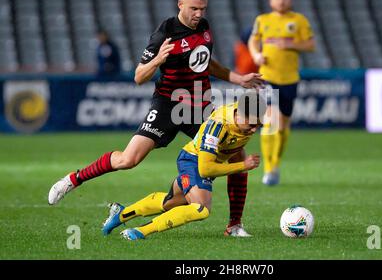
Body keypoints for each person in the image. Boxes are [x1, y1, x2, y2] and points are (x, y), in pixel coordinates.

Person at [48, 0, 263, 237]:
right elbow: (139, 76)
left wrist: (237, 78)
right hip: (168, 104)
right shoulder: (165, 32)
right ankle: (73, 179)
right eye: (194, 8)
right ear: (180, 3)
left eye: (203, 9)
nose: (199, 15)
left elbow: (205, 63)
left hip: (199, 106)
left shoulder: (204, 28)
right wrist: (159, 59)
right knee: (129, 159)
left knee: (236, 154)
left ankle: (234, 225)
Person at [102, 91, 266, 240]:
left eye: (258, 125)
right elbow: (205, 169)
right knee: (200, 208)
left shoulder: (246, 111)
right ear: (240, 116)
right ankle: (140, 232)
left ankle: (121, 214)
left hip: (203, 161)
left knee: (170, 203)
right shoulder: (217, 127)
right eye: (251, 125)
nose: (254, 130)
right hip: (193, 161)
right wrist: (243, 165)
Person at [248, 0, 316, 186]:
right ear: (271, 1)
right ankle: (268, 169)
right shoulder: (262, 20)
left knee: (284, 125)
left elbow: (311, 45)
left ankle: (275, 163)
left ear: (290, 0)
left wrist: (290, 44)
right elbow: (253, 41)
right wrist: (256, 55)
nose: (282, 0)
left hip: (290, 80)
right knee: (271, 120)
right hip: (268, 78)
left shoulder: (299, 20)